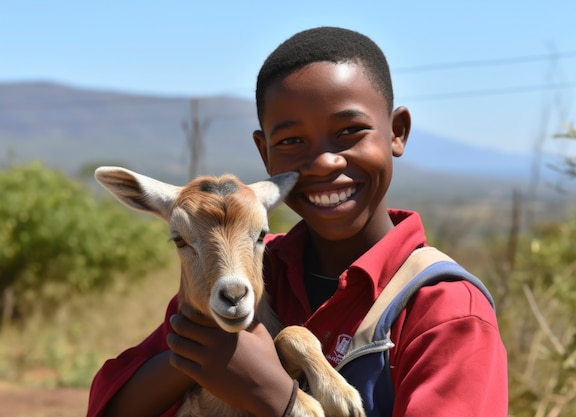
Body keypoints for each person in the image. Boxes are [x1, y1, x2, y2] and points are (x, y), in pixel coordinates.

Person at [87, 26, 508, 417]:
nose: (325, 162)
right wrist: (206, 357)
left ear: (396, 131)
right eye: (291, 141)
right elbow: (112, 402)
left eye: (350, 131)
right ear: (264, 153)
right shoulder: (247, 269)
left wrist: (278, 398)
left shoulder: (446, 310)